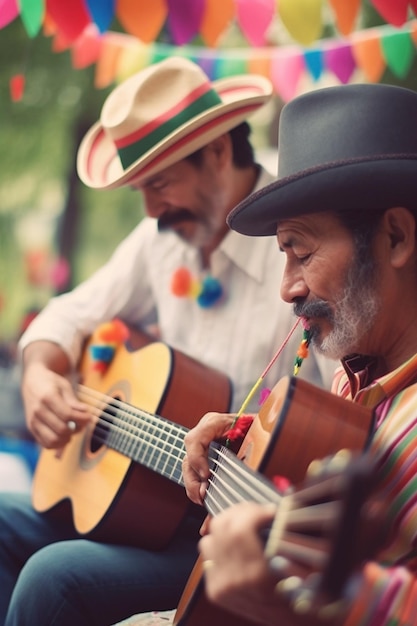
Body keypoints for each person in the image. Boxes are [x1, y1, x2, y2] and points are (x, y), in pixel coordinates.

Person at [0, 57, 334, 626]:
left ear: (219, 153)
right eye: (140, 188)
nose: (151, 210)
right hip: (136, 507)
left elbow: (341, 421)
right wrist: (38, 374)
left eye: (159, 183)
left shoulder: (301, 237)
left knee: (52, 578)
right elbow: (66, 315)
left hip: (224, 526)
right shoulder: (161, 239)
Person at [182, 81, 417, 625]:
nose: (287, 287)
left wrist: (285, 606)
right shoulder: (357, 377)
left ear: (397, 237)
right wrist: (253, 443)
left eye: (301, 251)